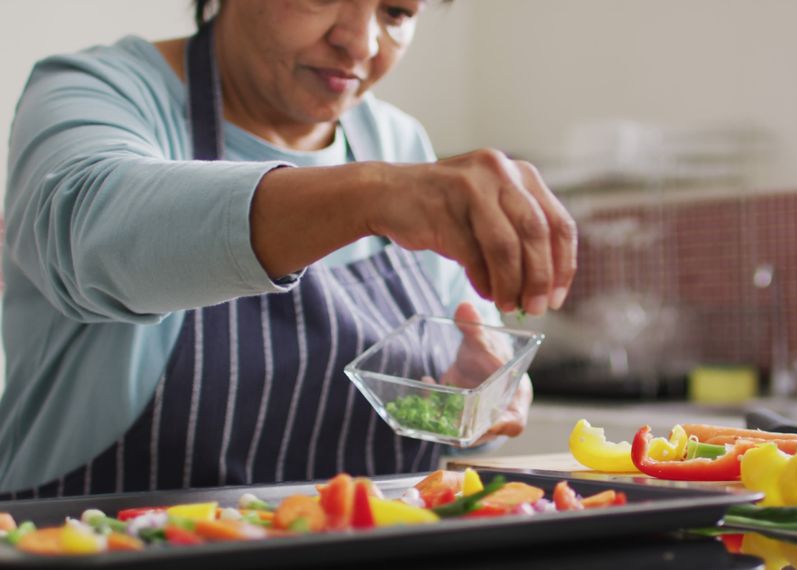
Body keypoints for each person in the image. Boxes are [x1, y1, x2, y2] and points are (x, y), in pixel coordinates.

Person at [0, 0, 577, 498]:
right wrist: (370, 194)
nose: (361, 41)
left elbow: (462, 351)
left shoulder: (401, 143)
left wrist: (472, 392)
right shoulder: (98, 91)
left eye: (397, 11)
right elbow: (89, 231)